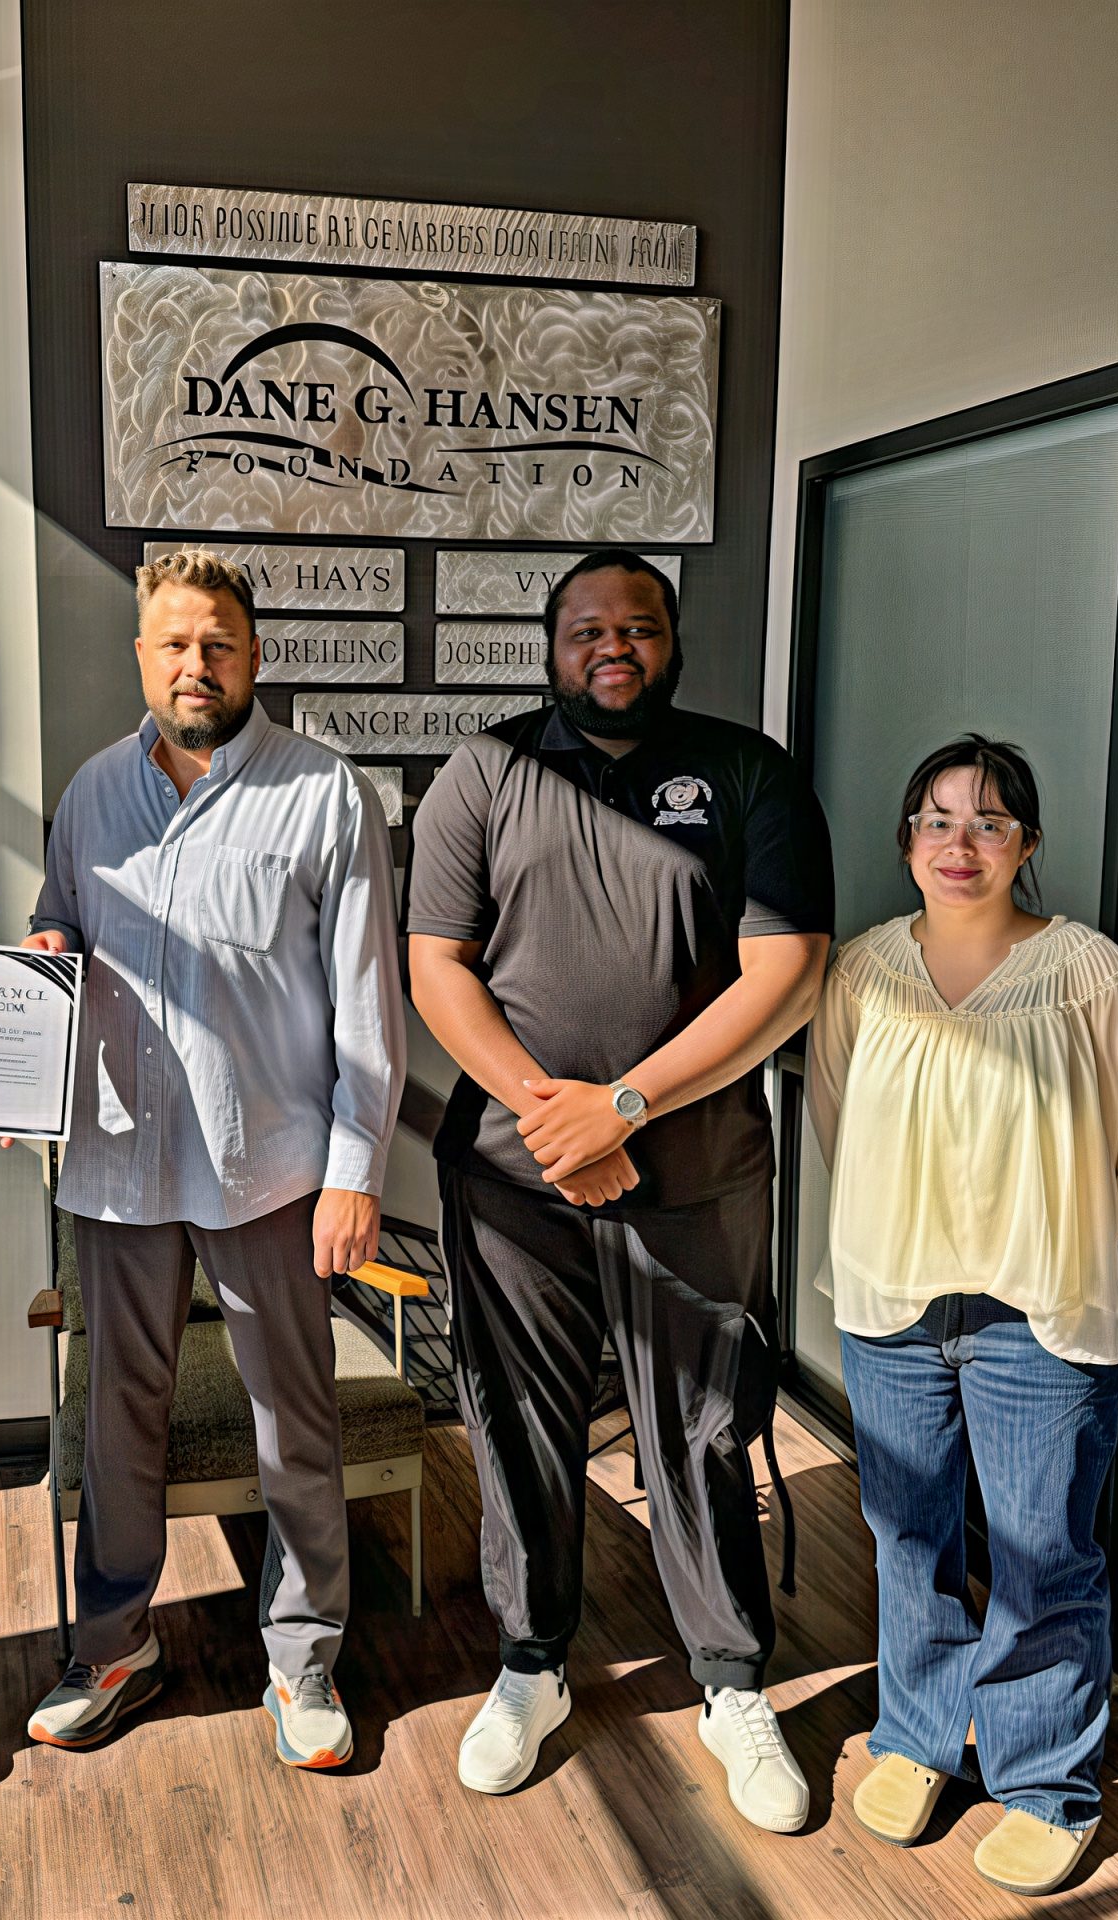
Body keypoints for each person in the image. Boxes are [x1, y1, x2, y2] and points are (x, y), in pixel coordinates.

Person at [407, 550, 834, 1833]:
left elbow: (789, 969)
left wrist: (625, 1107)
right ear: (550, 647)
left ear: (671, 642)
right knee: (517, 1417)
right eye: (587, 628)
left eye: (637, 627)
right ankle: (531, 1665)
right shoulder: (484, 771)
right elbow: (436, 965)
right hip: (514, 1177)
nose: (613, 647)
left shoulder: (749, 771)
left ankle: (730, 1681)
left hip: (694, 1174)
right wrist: (557, 1121)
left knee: (705, 1424)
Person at [11, 548, 405, 1770]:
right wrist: (46, 942)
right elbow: (61, 919)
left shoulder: (325, 793)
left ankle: (303, 1658)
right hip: (118, 1160)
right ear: (143, 655)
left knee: (293, 1417)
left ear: (254, 655)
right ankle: (114, 1646)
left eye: (219, 643)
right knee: (115, 1416)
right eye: (176, 643)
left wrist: (356, 1172)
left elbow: (368, 1005)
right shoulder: (91, 791)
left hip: (269, 1167)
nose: (198, 664)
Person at [805, 734, 1118, 1898]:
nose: (957, 844)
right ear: (906, 839)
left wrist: (1044, 1244)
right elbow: (836, 1117)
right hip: (892, 1300)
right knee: (909, 1536)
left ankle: (1044, 1783)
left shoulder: (1088, 975)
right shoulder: (862, 972)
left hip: (1038, 1312)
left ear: (1026, 844)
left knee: (1042, 1552)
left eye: (987, 822)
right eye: (936, 819)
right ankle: (918, 1735)